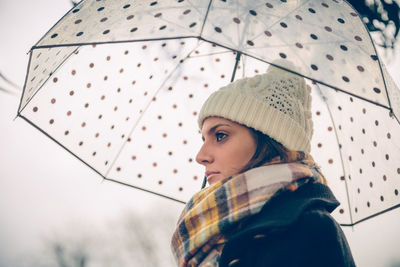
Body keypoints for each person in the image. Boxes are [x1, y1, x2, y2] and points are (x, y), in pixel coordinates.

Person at [171, 62, 356, 267]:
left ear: (269, 141)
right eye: (203, 139)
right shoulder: (213, 233)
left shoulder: (310, 228)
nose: (201, 156)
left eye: (220, 136)